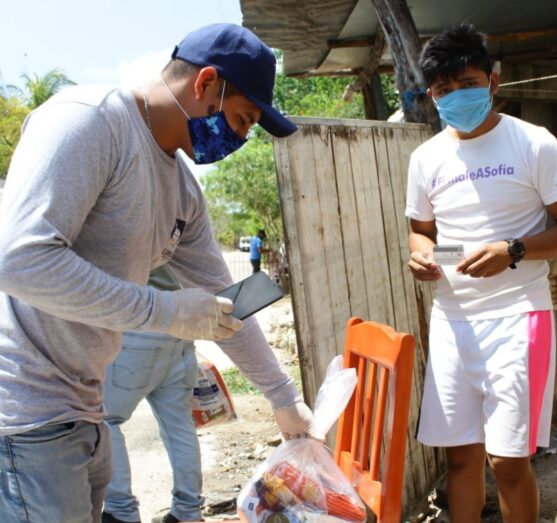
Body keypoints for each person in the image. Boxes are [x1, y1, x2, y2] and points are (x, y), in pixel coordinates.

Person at [0, 23, 319, 523]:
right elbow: (17, 259)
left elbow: (229, 301)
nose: (239, 138)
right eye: (241, 119)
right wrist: (166, 311)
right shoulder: (89, 122)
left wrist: (283, 397)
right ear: (206, 83)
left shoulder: (181, 190)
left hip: (84, 406)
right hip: (25, 412)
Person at [405, 25, 557, 523]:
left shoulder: (534, 143)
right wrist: (422, 255)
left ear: (493, 80)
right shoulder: (426, 159)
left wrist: (515, 250)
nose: (456, 96)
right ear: (431, 96)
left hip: (519, 320)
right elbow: (420, 231)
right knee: (460, 458)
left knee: (507, 462)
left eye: (467, 82)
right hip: (451, 321)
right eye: (444, 90)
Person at [102, 265, 203, 523]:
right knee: (179, 422)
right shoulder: (171, 226)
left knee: (105, 419)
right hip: (177, 324)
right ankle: (188, 511)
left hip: (139, 320)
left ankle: (120, 512)